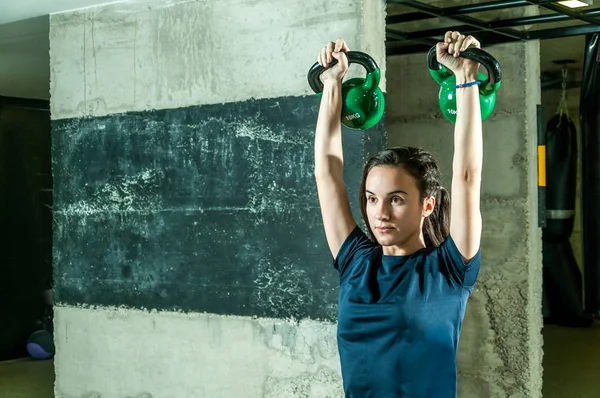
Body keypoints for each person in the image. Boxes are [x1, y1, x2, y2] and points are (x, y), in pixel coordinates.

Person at [313, 31, 483, 397]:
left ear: (428, 204)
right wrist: (332, 83)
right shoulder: (356, 262)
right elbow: (326, 173)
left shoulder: (449, 271)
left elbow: (468, 176)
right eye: (372, 199)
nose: (380, 213)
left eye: (397, 199)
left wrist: (465, 76)